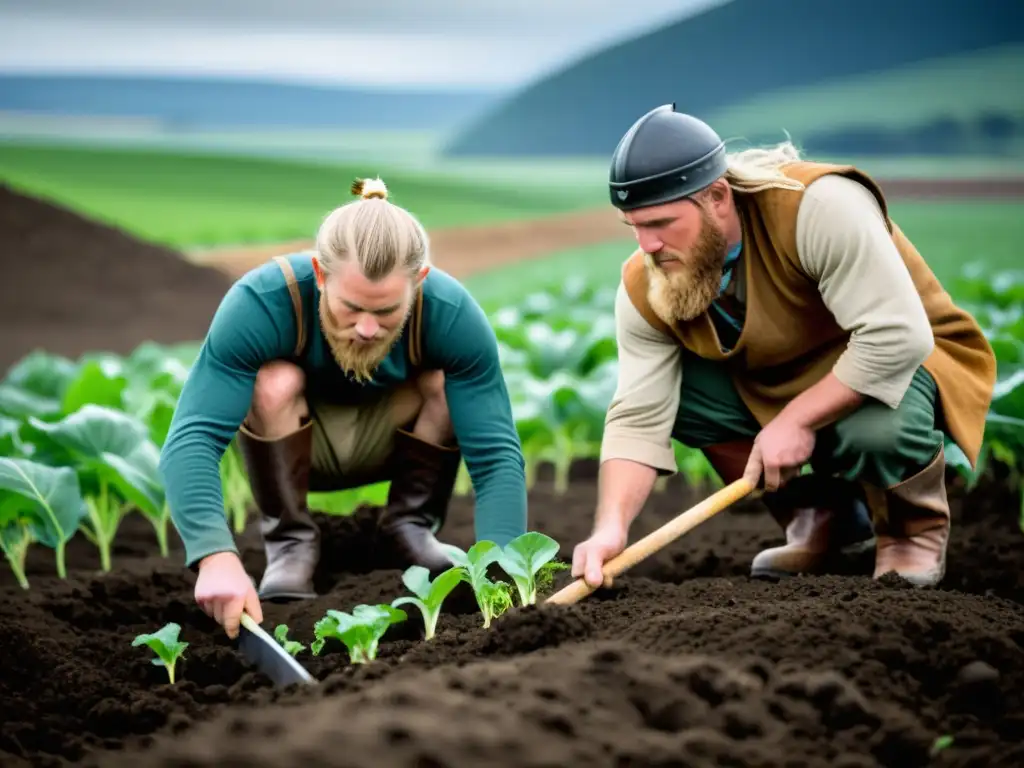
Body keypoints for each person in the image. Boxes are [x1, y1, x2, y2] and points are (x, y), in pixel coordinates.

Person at [572, 104, 996, 590]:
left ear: (717, 197)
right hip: (781, 377)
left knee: (875, 433)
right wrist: (610, 529)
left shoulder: (818, 207)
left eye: (663, 223)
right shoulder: (647, 282)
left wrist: (797, 419)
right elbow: (637, 416)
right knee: (681, 396)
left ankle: (909, 530)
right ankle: (820, 519)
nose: (647, 245)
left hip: (899, 362)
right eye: (635, 227)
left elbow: (898, 335)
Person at [159, 177, 528, 638]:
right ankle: (291, 542)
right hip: (294, 441)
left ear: (419, 281)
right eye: (350, 309)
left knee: (443, 384)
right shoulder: (262, 302)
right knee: (274, 382)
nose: (368, 329)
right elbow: (192, 438)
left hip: (395, 438)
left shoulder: (451, 314)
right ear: (319, 273)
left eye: (388, 311)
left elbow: (495, 456)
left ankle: (408, 528)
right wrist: (215, 557)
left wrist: (504, 571)